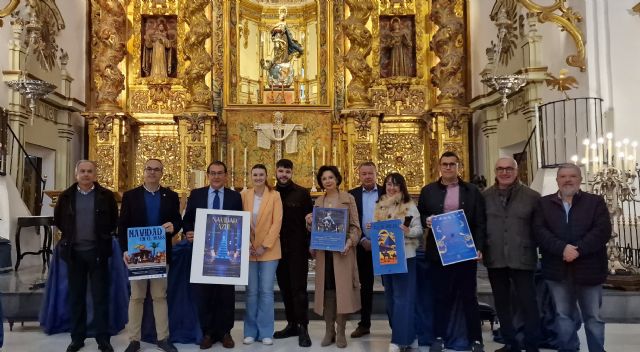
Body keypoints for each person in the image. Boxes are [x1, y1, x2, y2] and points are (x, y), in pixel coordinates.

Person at [533, 163, 611, 352]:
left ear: (580, 179)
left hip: (590, 269)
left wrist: (578, 250)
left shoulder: (595, 202)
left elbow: (602, 231)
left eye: (572, 176)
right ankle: (568, 349)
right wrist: (562, 249)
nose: (568, 180)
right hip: (557, 270)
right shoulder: (544, 204)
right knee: (563, 316)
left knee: (593, 318)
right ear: (557, 180)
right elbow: (539, 231)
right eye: (563, 176)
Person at [417, 151, 486, 352]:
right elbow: (420, 214)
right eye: (445, 164)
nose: (448, 167)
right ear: (439, 167)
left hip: (465, 251)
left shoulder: (471, 191)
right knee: (440, 296)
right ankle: (438, 337)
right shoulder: (428, 190)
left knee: (469, 297)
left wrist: (479, 247)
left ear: (459, 167)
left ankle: (475, 340)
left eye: (452, 164)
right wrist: (426, 220)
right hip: (439, 252)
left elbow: (480, 222)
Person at [53, 160, 118, 352]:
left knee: (100, 298)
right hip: (74, 254)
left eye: (90, 171)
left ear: (95, 174)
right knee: (76, 298)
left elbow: (114, 220)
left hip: (98, 253)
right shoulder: (66, 197)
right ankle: (77, 338)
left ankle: (103, 339)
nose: (86, 174)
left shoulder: (106, 196)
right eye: (82, 171)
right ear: (76, 174)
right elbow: (59, 221)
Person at [118, 159, 182, 352]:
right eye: (149, 169)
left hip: (160, 255)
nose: (152, 172)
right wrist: (125, 250)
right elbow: (122, 226)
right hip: (137, 254)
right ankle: (134, 339)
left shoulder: (170, 196)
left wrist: (174, 227)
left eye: (157, 169)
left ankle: (163, 338)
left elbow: (177, 220)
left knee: (159, 296)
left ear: (162, 173)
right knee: (136, 297)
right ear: (143, 171)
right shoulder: (131, 196)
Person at [182, 161, 243, 350]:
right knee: (205, 293)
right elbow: (187, 219)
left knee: (226, 294)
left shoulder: (234, 197)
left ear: (226, 175)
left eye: (220, 173)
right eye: (213, 173)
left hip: (226, 254)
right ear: (208, 175)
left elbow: (239, 222)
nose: (216, 177)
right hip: (203, 253)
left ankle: (225, 332)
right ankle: (208, 332)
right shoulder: (197, 194)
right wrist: (188, 232)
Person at [483, 157, 541, 352]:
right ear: (495, 171)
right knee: (502, 304)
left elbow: (540, 227)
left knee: (528, 304)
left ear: (516, 171)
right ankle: (511, 343)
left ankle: (532, 345)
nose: (504, 172)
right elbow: (480, 226)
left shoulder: (532, 196)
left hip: (522, 256)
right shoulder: (485, 196)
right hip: (495, 256)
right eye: (500, 169)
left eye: (509, 169)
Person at [305, 165, 361, 349]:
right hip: (324, 255)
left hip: (342, 254)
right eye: (324, 178)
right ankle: (329, 331)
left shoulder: (348, 199)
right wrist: (309, 222)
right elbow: (316, 230)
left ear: (337, 179)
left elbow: (356, 227)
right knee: (327, 292)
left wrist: (350, 242)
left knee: (341, 293)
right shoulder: (319, 201)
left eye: (330, 177)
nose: (327, 181)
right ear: (320, 182)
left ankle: (341, 331)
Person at [373, 173, 423, 352]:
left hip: (406, 257)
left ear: (401, 186)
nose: (391, 187)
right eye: (388, 184)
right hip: (386, 257)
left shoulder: (410, 206)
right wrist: (373, 228)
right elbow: (378, 230)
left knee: (404, 299)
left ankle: (399, 339)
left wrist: (407, 230)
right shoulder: (380, 206)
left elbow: (418, 230)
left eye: (395, 184)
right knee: (391, 300)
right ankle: (409, 336)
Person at [273, 159, 313, 347]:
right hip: (277, 250)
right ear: (276, 172)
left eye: (287, 171)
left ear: (292, 173)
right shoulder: (270, 193)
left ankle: (303, 327)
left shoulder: (303, 193)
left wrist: (311, 221)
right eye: (281, 171)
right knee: (285, 289)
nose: (284, 174)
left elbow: (312, 221)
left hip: (297, 249)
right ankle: (291, 324)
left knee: (299, 290)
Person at [241, 164, 283, 346]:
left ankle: (266, 331)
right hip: (249, 250)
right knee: (251, 292)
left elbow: (277, 223)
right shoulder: (244, 195)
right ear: (250, 176)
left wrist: (264, 246)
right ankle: (250, 331)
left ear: (266, 176)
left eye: (261, 175)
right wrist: (248, 244)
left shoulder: (275, 196)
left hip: (270, 251)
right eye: (255, 174)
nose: (258, 177)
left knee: (266, 292)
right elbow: (240, 220)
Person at [348, 161, 383, 339]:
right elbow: (348, 221)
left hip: (386, 245)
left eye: (371, 173)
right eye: (364, 174)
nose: (367, 176)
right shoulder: (352, 195)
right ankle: (364, 324)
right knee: (365, 286)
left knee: (391, 285)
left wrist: (377, 240)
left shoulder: (387, 192)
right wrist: (362, 239)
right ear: (359, 175)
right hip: (362, 246)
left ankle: (397, 326)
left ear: (376, 174)